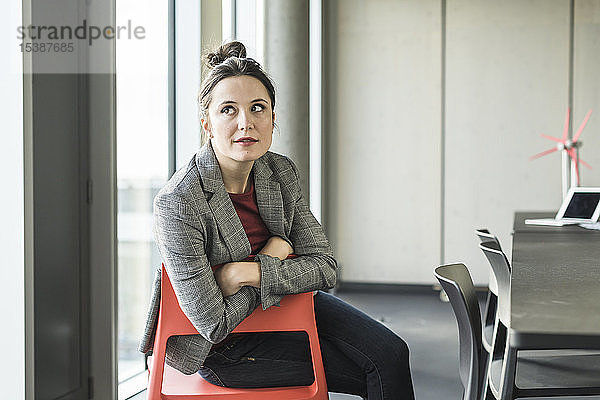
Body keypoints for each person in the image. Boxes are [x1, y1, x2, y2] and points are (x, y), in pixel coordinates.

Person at [139, 41, 415, 400]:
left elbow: (326, 268)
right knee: (375, 370)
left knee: (392, 352)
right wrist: (275, 254)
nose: (245, 123)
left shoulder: (280, 172)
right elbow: (213, 322)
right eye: (228, 110)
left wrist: (246, 272)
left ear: (273, 119)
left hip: (290, 305)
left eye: (258, 108)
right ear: (207, 122)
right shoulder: (179, 202)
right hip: (227, 350)